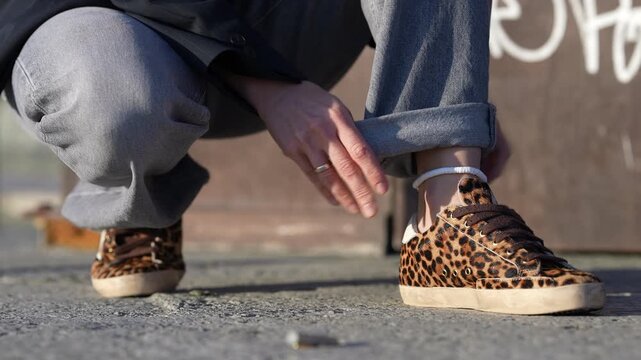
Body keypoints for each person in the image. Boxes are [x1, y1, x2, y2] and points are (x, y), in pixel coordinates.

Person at [1, 0, 604, 314]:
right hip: (109, 27)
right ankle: (140, 197)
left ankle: (447, 208)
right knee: (115, 101)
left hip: (274, 21)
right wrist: (266, 86)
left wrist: (451, 108)